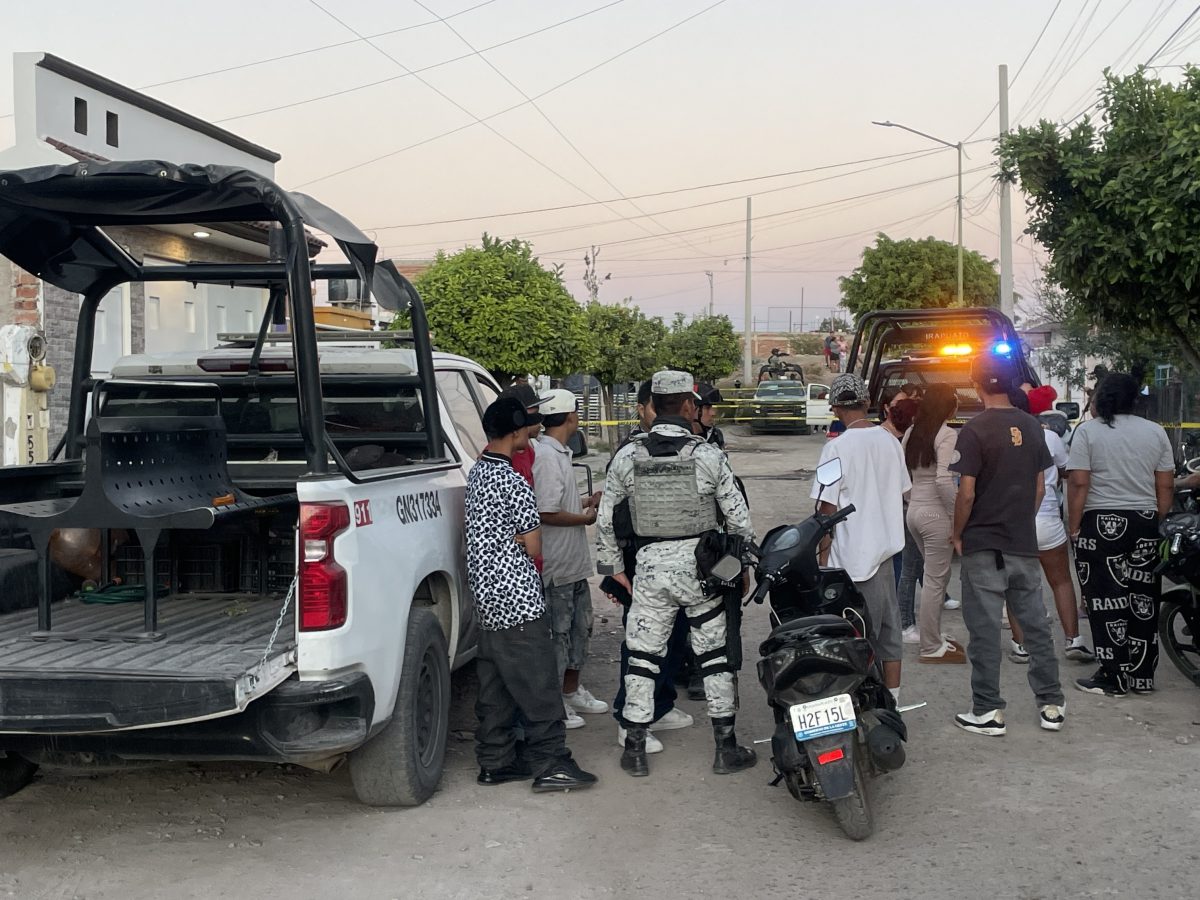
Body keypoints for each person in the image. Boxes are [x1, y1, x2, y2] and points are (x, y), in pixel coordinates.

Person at [597, 370, 757, 778]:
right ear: (688, 405)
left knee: (642, 656)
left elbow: (605, 520)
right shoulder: (706, 455)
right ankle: (725, 749)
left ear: (654, 405)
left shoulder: (628, 456)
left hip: (649, 568)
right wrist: (736, 569)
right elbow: (740, 523)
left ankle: (634, 749)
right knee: (715, 657)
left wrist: (615, 570)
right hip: (700, 569)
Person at [466, 396, 597, 792]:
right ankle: (551, 762)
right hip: (518, 597)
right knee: (539, 683)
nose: (532, 433)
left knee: (496, 685)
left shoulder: (477, 473)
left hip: (487, 597)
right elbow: (534, 545)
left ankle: (496, 760)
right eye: (528, 428)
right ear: (517, 432)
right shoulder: (513, 481)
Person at [950, 354, 1065, 736]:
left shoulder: (973, 430)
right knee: (1035, 625)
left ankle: (987, 710)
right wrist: (1019, 521)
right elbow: (1037, 488)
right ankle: (1051, 703)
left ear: (975, 383)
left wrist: (957, 534)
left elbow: (966, 493)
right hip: (1022, 543)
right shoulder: (1033, 427)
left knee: (983, 631)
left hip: (984, 543)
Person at [1067, 373, 1174, 697]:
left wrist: (1074, 525)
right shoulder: (1155, 432)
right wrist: (1156, 517)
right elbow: (1165, 485)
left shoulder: (1087, 433)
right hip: (1144, 521)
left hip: (1101, 524)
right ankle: (1141, 675)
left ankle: (1113, 676)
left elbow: (1079, 483)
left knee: (1105, 600)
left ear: (1101, 398)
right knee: (1143, 598)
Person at [608, 378, 695, 755]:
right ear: (646, 408)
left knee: (674, 638)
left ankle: (660, 704)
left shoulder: (686, 448)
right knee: (642, 643)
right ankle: (628, 719)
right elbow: (611, 515)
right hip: (640, 561)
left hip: (678, 563)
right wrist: (613, 567)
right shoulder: (631, 452)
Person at [811, 373, 908, 704]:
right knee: (889, 631)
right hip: (886, 554)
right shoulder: (891, 442)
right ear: (867, 403)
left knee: (850, 635)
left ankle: (852, 699)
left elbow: (826, 509)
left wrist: (822, 561)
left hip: (849, 559)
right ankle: (892, 702)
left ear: (835, 407)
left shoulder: (835, 448)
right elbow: (902, 492)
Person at [532, 389, 608, 730]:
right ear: (570, 417)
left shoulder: (559, 452)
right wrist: (585, 519)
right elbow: (546, 511)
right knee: (559, 633)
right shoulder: (547, 457)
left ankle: (572, 690)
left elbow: (558, 502)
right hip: (558, 564)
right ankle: (555, 700)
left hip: (572, 563)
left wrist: (584, 502)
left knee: (580, 629)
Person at [1009, 386, 1094, 663]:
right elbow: (1067, 470)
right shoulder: (1049, 436)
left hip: (1013, 522)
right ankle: (1074, 640)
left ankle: (1020, 644)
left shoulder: (996, 436)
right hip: (1047, 519)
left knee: (1016, 586)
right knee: (1061, 581)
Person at [902, 384, 965, 663]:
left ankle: (934, 636)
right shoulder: (947, 434)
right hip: (935, 514)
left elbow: (902, 475)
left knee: (933, 577)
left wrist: (911, 500)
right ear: (947, 407)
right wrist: (955, 518)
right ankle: (930, 645)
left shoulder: (911, 433)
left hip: (914, 510)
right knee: (935, 580)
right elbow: (943, 479)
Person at [694, 382, 726, 450]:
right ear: (691, 408)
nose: (713, 413)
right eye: (707, 408)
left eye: (713, 407)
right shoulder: (676, 438)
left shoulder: (715, 435)